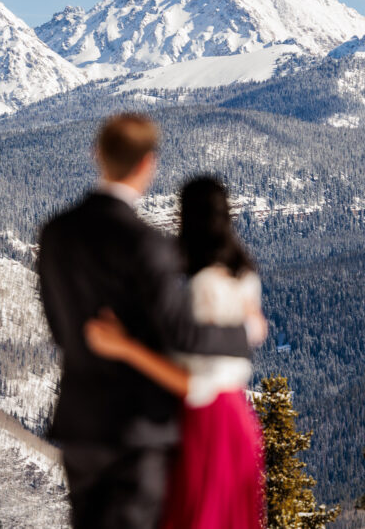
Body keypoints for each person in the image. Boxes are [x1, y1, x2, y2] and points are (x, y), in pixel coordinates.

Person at [37, 113, 264, 529]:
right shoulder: (146, 245)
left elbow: (58, 328)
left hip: (80, 423)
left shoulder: (55, 233)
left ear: (97, 155)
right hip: (140, 426)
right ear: (148, 164)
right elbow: (182, 332)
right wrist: (245, 330)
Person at [84, 176, 267, 529]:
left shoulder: (204, 288)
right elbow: (249, 337)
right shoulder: (245, 276)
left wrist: (126, 348)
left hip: (207, 422)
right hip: (238, 417)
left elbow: (195, 383)